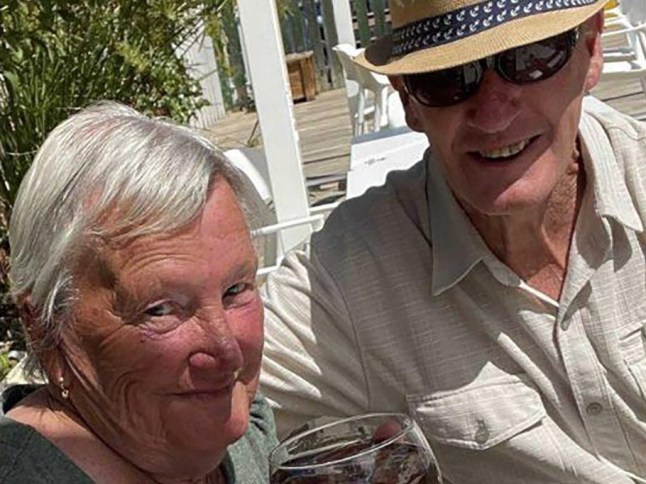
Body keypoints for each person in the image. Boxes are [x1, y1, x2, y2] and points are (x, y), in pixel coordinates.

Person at [260, 0, 646, 482]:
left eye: (530, 56)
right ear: (408, 100)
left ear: (591, 49)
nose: (493, 114)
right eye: (447, 77)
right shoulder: (349, 283)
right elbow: (202, 396)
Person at [2, 102, 276, 483]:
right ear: (45, 331)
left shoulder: (245, 433)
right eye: (161, 309)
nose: (228, 352)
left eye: (235, 290)